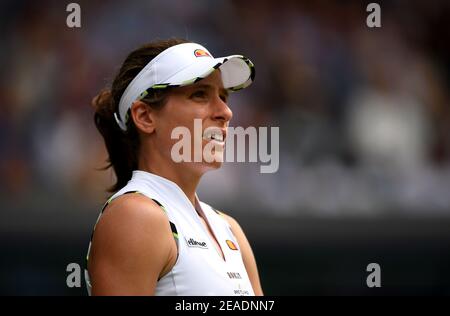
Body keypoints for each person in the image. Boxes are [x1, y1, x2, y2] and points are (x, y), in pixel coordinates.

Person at [85, 38, 263, 296]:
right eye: (200, 94)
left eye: (223, 96)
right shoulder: (135, 216)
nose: (226, 112)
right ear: (145, 117)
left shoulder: (230, 229)